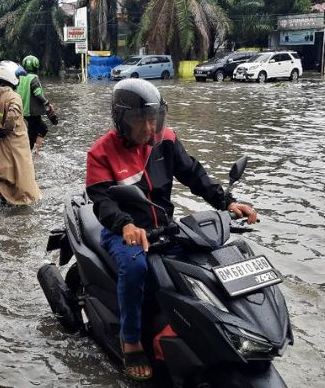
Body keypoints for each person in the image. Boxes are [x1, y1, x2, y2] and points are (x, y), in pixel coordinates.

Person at [85, 79, 257, 381]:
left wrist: (227, 202)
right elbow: (101, 201)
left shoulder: (166, 140)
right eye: (141, 120)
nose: (150, 128)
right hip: (123, 232)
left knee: (207, 260)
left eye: (154, 119)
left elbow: (193, 173)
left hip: (164, 228)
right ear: (122, 119)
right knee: (135, 267)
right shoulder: (101, 153)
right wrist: (124, 224)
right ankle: (132, 340)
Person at [0, 60, 41, 205]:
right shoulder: (14, 97)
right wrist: (6, 128)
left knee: (3, 171)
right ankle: (18, 200)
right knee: (23, 177)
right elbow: (13, 116)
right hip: (15, 143)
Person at [15, 55, 56, 152]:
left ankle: (36, 152)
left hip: (22, 110)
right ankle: (27, 156)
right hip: (33, 112)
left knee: (43, 128)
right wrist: (47, 103)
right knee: (31, 138)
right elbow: (38, 94)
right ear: (36, 66)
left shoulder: (20, 78)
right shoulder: (34, 78)